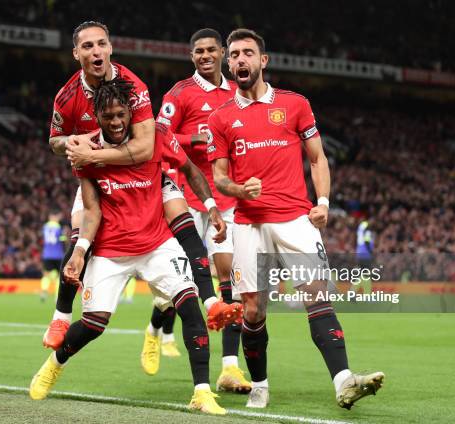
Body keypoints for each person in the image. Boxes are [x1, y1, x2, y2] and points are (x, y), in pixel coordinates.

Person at [207, 28, 384, 409]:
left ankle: (343, 382)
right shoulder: (221, 118)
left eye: (247, 53)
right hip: (249, 224)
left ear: (263, 60)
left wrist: (322, 200)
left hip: (295, 220)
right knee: (253, 311)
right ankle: (260, 385)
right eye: (234, 54)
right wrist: (238, 190)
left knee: (316, 297)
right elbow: (219, 176)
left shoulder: (295, 104)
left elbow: (317, 158)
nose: (239, 60)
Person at [30, 78, 226, 415]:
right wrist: (79, 251)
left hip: (156, 245)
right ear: (97, 116)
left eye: (122, 114)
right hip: (111, 251)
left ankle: (202, 392)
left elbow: (190, 169)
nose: (117, 122)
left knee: (189, 303)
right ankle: (54, 363)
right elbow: (91, 211)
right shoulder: (86, 153)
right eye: (108, 117)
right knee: (93, 325)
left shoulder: (155, 139)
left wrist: (211, 206)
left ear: (131, 113)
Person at [44, 20, 239, 350]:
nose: (96, 51)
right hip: (101, 179)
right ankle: (61, 316)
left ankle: (206, 305)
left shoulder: (133, 86)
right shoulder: (67, 97)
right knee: (79, 241)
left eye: (101, 44)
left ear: (110, 47)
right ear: (76, 53)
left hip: (146, 176)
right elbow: (54, 141)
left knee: (186, 229)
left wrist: (94, 153)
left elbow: (146, 148)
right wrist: (71, 143)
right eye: (88, 46)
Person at [153, 28, 249, 392]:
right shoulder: (180, 93)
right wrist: (193, 139)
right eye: (198, 51)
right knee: (184, 284)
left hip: (223, 199)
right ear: (191, 55)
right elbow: (156, 137)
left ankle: (229, 368)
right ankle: (155, 327)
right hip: (186, 197)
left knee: (232, 281)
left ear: (223, 53)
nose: (205, 55)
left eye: (211, 50)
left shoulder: (238, 93)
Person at [40, 210, 66, 302]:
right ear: (54, 216)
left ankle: (44, 291)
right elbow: (62, 240)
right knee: (59, 276)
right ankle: (56, 297)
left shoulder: (45, 226)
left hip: (47, 254)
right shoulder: (58, 227)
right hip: (58, 255)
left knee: (46, 274)